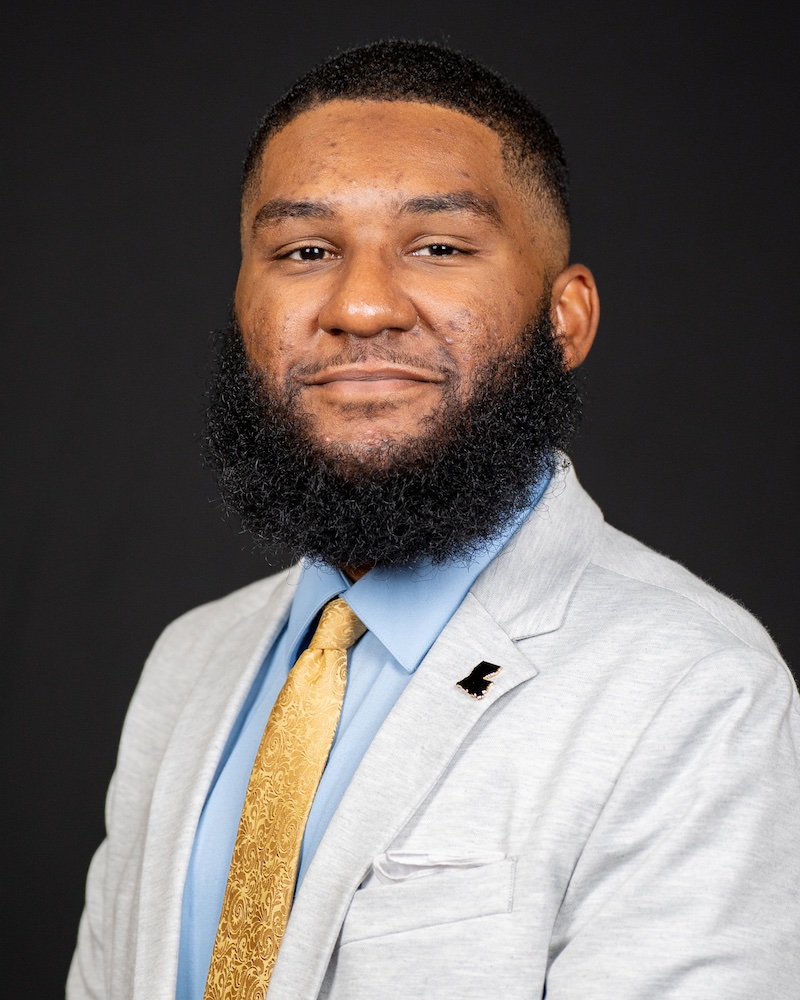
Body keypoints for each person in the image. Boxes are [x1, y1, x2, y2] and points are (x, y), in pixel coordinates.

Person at [67, 40, 800, 1000]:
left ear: (566, 318)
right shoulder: (189, 662)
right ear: (243, 304)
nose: (362, 306)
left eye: (440, 246)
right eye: (306, 252)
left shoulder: (694, 691)